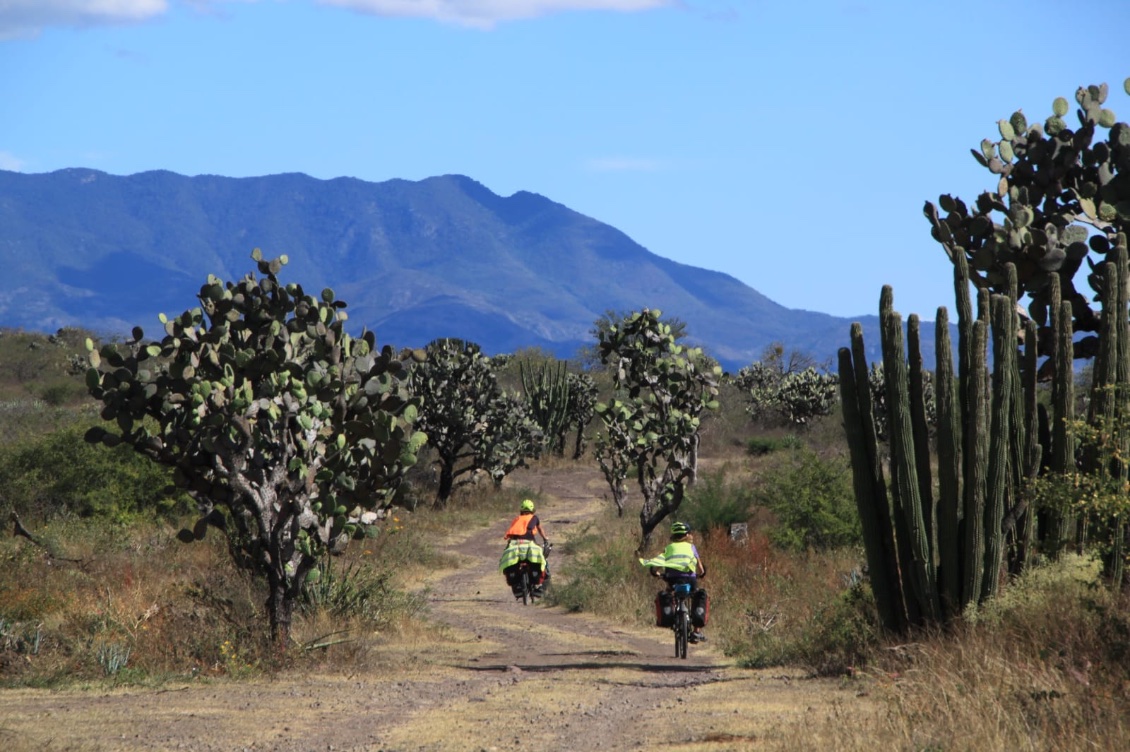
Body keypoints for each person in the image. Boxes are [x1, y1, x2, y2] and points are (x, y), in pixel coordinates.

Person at [639, 521, 708, 642]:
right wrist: (701, 574)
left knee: (670, 592)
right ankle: (696, 631)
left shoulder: (669, 548)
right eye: (690, 533)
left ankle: (672, 616)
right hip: (690, 579)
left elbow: (659, 564)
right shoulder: (691, 547)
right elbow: (700, 568)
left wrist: (657, 573)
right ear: (686, 535)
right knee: (697, 595)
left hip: (672, 578)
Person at [500, 499, 551, 596]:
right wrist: (545, 539)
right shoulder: (534, 518)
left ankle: (516, 587)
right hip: (529, 544)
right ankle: (541, 590)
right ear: (532, 510)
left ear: (521, 510)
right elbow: (540, 529)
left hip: (515, 545)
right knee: (544, 563)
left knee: (511, 563)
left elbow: (511, 534)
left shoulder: (516, 519)